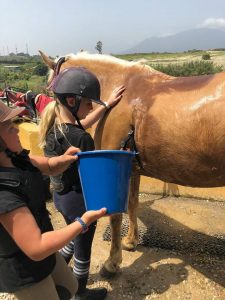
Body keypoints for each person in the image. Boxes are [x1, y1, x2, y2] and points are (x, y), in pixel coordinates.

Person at [0, 100, 107, 300]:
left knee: (70, 285)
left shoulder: (17, 159)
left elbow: (48, 165)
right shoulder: (4, 193)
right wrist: (83, 221)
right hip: (24, 267)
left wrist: (63, 160)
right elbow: (37, 247)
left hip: (42, 244)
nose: (15, 129)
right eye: (8, 127)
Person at [39, 66, 125, 300]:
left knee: (71, 233)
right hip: (79, 201)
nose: (92, 107)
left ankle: (58, 269)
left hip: (61, 198)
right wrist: (121, 156)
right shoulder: (81, 138)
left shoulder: (54, 128)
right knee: (83, 246)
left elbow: (82, 123)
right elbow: (95, 175)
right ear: (71, 101)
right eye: (89, 103)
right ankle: (80, 292)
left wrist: (106, 104)